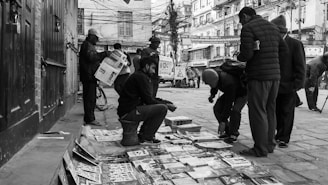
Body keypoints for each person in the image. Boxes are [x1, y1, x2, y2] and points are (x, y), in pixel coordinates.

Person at [236, 7, 286, 157]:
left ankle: (260, 148)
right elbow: (284, 49)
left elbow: (247, 54)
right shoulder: (273, 27)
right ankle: (269, 144)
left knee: (257, 111)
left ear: (245, 16)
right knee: (270, 110)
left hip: (259, 76)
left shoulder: (248, 28)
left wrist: (239, 57)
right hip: (275, 76)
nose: (241, 24)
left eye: (240, 20)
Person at [117, 57, 177, 146]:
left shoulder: (140, 76)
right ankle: (146, 137)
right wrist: (166, 105)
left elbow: (150, 98)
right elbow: (149, 100)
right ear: (147, 66)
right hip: (128, 111)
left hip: (129, 109)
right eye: (152, 68)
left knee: (158, 107)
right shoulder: (140, 77)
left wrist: (166, 102)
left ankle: (144, 134)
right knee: (162, 109)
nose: (153, 71)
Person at [271, 15, 306, 148]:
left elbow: (300, 66)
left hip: (288, 85)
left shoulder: (295, 44)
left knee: (286, 112)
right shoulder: (274, 44)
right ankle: (277, 134)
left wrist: (296, 85)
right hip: (275, 85)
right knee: (276, 111)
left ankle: (283, 138)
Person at [202, 68, 247, 144]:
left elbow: (228, 104)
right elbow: (214, 86)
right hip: (229, 91)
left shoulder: (228, 82)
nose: (210, 85)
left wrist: (223, 121)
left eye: (209, 83)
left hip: (242, 92)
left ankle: (233, 134)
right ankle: (228, 131)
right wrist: (212, 95)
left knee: (235, 110)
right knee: (217, 108)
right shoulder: (215, 75)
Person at [79, 28, 111, 126]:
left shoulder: (89, 45)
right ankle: (90, 119)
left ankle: (89, 118)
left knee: (91, 98)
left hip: (90, 76)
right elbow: (91, 57)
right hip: (88, 77)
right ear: (91, 37)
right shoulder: (87, 45)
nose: (97, 41)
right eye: (96, 38)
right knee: (90, 99)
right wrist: (104, 54)